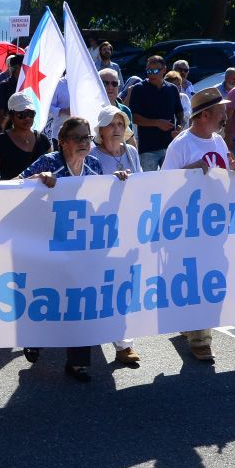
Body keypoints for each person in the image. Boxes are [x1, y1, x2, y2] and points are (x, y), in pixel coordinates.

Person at [19, 116, 129, 382]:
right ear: (63, 142)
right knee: (49, 297)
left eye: (87, 137)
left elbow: (102, 197)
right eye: (77, 137)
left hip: (82, 245)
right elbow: (13, 187)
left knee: (80, 300)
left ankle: (79, 362)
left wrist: (116, 181)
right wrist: (35, 179)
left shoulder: (92, 164)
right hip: (48, 244)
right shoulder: (49, 162)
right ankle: (34, 338)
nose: (84, 143)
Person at [162, 87, 232, 363]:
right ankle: (201, 337)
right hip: (189, 225)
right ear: (204, 115)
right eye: (220, 111)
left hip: (215, 224)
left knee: (213, 276)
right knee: (198, 278)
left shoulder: (219, 141)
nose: (225, 115)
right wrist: (188, 170)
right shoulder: (180, 145)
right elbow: (163, 185)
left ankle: (193, 325)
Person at [89, 105, 142, 368]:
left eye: (121, 124)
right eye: (112, 124)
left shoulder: (131, 152)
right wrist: (112, 183)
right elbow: (88, 194)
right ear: (100, 130)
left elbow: (143, 185)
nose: (117, 129)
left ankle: (124, 345)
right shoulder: (91, 155)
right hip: (101, 233)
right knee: (100, 287)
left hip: (128, 230)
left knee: (123, 287)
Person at [127, 55, 184, 171]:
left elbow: (180, 112)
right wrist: (157, 123)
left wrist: (179, 127)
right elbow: (135, 118)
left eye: (155, 71)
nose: (151, 74)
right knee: (149, 184)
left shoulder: (172, 89)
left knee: (170, 183)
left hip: (170, 146)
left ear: (164, 70)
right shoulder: (139, 89)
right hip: (148, 148)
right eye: (148, 71)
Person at [0, 92, 50, 181]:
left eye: (30, 113)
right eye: (21, 114)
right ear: (11, 115)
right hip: (10, 193)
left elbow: (52, 170)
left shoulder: (43, 140)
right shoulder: (0, 142)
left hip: (39, 194)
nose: (27, 118)